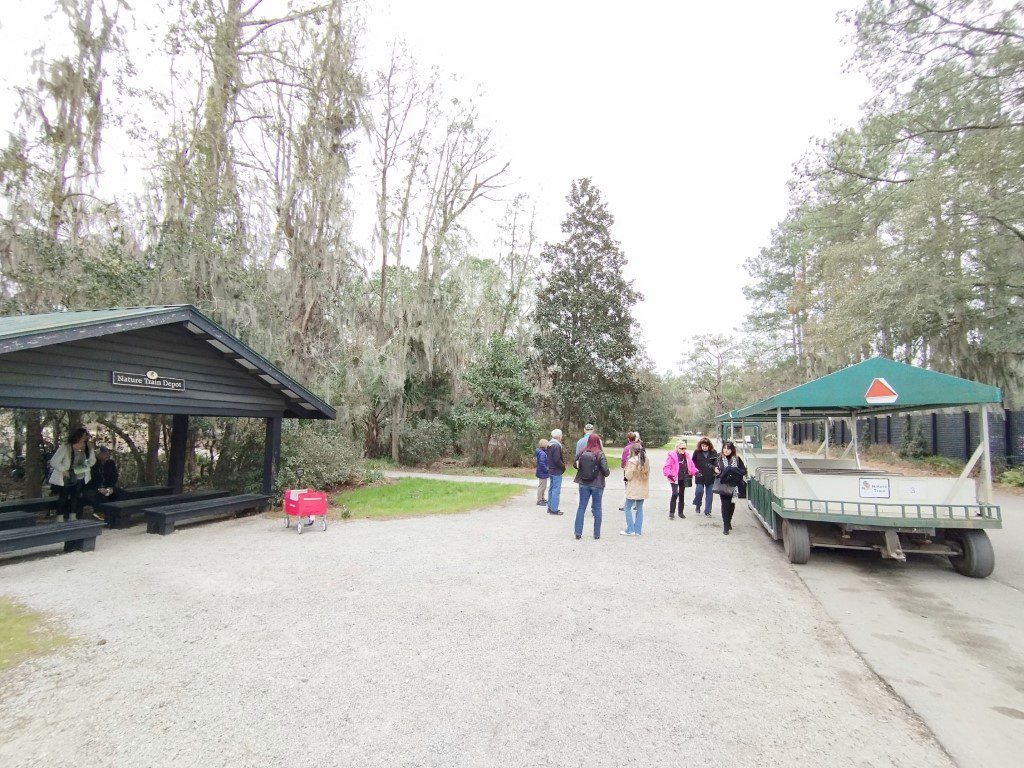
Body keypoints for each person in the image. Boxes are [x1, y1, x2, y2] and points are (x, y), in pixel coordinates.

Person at [47, 427, 96, 521]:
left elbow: (92, 461)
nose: (85, 438)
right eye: (83, 436)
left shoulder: (87, 447)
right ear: (77, 436)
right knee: (63, 497)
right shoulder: (66, 447)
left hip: (80, 476)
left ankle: (73, 516)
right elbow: (54, 461)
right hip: (66, 477)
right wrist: (64, 471)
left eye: (86, 436)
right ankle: (60, 518)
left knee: (75, 497)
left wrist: (89, 457)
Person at [573, 433, 610, 539]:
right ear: (598, 442)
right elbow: (606, 472)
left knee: (581, 507)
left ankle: (578, 532)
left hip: (583, 483)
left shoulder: (582, 452)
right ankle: (596, 534)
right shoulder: (600, 453)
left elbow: (575, 464)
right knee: (597, 508)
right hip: (597, 484)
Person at [714, 440, 747, 535]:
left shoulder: (737, 459)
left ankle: (729, 521)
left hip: (734, 485)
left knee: (731, 505)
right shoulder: (719, 458)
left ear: (732, 450)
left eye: (728, 448)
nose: (726, 450)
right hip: (723, 485)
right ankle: (725, 526)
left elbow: (743, 471)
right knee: (725, 505)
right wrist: (716, 470)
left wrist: (733, 469)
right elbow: (717, 470)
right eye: (724, 448)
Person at [621, 441, 650, 536]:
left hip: (634, 487)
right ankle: (637, 530)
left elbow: (629, 475)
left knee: (627, 508)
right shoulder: (645, 461)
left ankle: (630, 529)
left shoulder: (632, 461)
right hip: (642, 487)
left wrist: (625, 476)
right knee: (640, 508)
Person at [662, 440, 696, 519]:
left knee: (681, 494)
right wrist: (669, 474)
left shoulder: (687, 456)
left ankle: (680, 512)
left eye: (684, 448)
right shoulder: (672, 456)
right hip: (674, 478)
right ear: (677, 448)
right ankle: (671, 512)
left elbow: (692, 466)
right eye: (681, 448)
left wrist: (696, 472)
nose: (683, 450)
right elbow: (666, 467)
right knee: (675, 493)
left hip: (683, 477)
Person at [84, 445, 119, 511]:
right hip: (93, 488)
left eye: (107, 453)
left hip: (107, 487)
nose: (107, 455)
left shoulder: (110, 463)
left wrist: (109, 487)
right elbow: (89, 480)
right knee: (95, 496)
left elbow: (114, 477)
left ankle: (117, 513)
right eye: (104, 454)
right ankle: (99, 512)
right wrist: (99, 489)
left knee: (119, 493)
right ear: (98, 455)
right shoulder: (92, 464)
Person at [691, 436, 719, 517]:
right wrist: (695, 472)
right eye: (703, 446)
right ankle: (698, 505)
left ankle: (707, 511)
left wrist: (716, 470)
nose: (704, 447)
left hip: (710, 476)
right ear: (700, 446)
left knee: (709, 495)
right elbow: (693, 463)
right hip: (700, 475)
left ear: (709, 446)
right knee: (699, 491)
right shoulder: (697, 452)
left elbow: (716, 463)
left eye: (706, 446)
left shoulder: (714, 452)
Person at [546, 429, 566, 515]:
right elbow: (557, 459)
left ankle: (550, 507)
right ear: (559, 436)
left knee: (551, 489)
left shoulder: (550, 444)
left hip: (550, 469)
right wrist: (563, 466)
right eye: (561, 435)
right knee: (555, 490)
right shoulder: (557, 446)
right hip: (556, 470)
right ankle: (554, 509)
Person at [618, 431, 639, 511]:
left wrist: (623, 466)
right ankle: (637, 503)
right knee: (637, 485)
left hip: (628, 468)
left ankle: (627, 504)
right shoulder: (639, 446)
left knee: (628, 486)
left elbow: (624, 459)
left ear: (628, 439)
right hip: (638, 468)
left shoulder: (627, 448)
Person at [534, 438, 550, 507]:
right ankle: (539, 500)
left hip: (542, 472)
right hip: (542, 472)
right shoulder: (542, 453)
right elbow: (542, 463)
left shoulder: (542, 452)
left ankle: (542, 498)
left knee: (543, 486)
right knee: (542, 486)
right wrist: (546, 470)